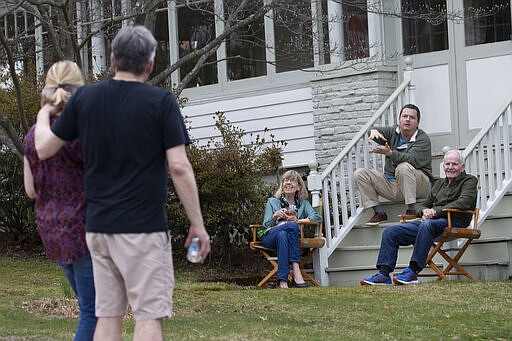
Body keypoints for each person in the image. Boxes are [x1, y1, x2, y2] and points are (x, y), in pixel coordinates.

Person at [34, 25, 210, 341]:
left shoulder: (85, 98)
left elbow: (44, 148)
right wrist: (197, 224)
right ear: (151, 64)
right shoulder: (162, 103)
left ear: (112, 60)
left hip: (98, 229)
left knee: (107, 317)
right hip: (142, 230)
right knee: (147, 317)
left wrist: (44, 114)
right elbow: (180, 167)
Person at [23, 60, 96, 340]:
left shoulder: (32, 136)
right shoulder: (79, 132)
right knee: (93, 313)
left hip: (51, 231)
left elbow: (30, 190)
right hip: (84, 228)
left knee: (88, 308)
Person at [360, 150, 478, 285]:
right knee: (391, 232)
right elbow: (422, 204)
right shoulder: (439, 184)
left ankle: (413, 272)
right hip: (431, 224)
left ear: (462, 167)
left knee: (426, 225)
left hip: (455, 222)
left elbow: (464, 202)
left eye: (455, 164)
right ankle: (384, 274)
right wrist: (425, 211)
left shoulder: (469, 181)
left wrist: (435, 211)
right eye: (447, 164)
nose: (450, 167)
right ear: (443, 166)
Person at [354, 104, 434, 226]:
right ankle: (379, 212)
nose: (407, 119)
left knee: (403, 166)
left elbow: (411, 159)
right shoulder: (393, 132)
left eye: (412, 117)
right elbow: (374, 131)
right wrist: (373, 131)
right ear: (399, 120)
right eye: (404, 116)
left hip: (419, 184)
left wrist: (390, 153)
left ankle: (412, 209)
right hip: (393, 184)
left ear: (418, 122)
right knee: (360, 173)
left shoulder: (422, 139)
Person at [259, 170, 322, 289]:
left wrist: (298, 220)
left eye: (292, 180)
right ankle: (296, 269)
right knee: (290, 227)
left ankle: (283, 281)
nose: (288, 183)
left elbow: (317, 217)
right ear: (282, 186)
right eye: (285, 180)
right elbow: (265, 226)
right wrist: (275, 216)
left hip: (284, 237)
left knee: (283, 235)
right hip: (269, 236)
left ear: (298, 186)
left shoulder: (303, 204)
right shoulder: (272, 202)